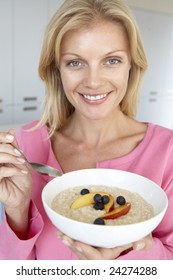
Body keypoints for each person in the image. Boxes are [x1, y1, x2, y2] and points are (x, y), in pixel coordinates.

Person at [0, 0, 173, 260]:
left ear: (132, 65)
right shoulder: (26, 144)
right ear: (56, 69)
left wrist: (128, 256)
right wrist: (17, 210)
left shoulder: (168, 152)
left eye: (111, 60)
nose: (93, 81)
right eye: (75, 63)